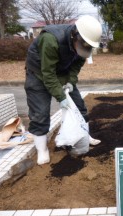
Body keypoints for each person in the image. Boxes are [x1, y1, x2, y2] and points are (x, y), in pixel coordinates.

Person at [25, 15, 102, 165]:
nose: (85, 48)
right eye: (83, 45)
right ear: (75, 35)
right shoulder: (51, 40)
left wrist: (70, 83)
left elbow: (76, 66)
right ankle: (42, 149)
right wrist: (61, 97)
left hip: (62, 72)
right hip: (38, 73)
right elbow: (48, 73)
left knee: (79, 106)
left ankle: (84, 136)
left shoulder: (84, 45)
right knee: (40, 112)